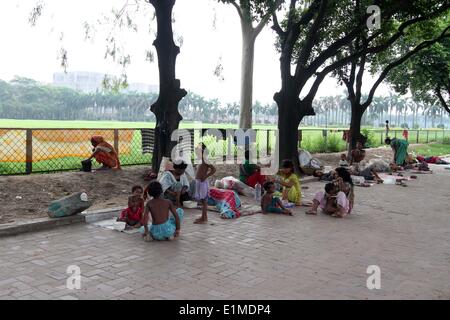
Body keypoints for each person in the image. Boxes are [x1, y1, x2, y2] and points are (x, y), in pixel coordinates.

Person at [194, 143, 216, 224]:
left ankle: (204, 218)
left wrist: (206, 176)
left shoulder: (205, 160)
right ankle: (203, 216)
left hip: (202, 182)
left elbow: (214, 169)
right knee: (203, 200)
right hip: (199, 181)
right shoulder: (201, 160)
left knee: (204, 200)